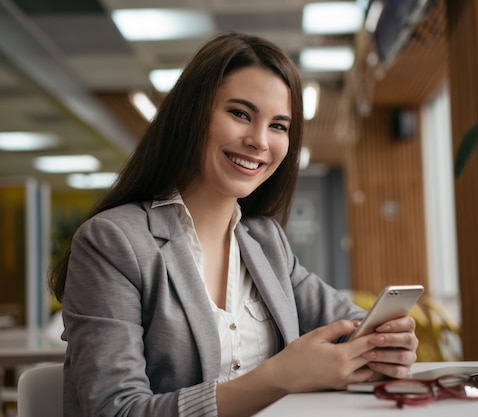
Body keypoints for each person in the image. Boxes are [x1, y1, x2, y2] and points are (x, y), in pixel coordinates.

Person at [49, 31, 418, 417]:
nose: (259, 140)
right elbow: (116, 410)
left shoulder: (265, 241)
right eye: (240, 114)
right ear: (193, 114)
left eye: (278, 126)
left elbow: (352, 324)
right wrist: (278, 377)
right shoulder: (112, 242)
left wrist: (385, 344)